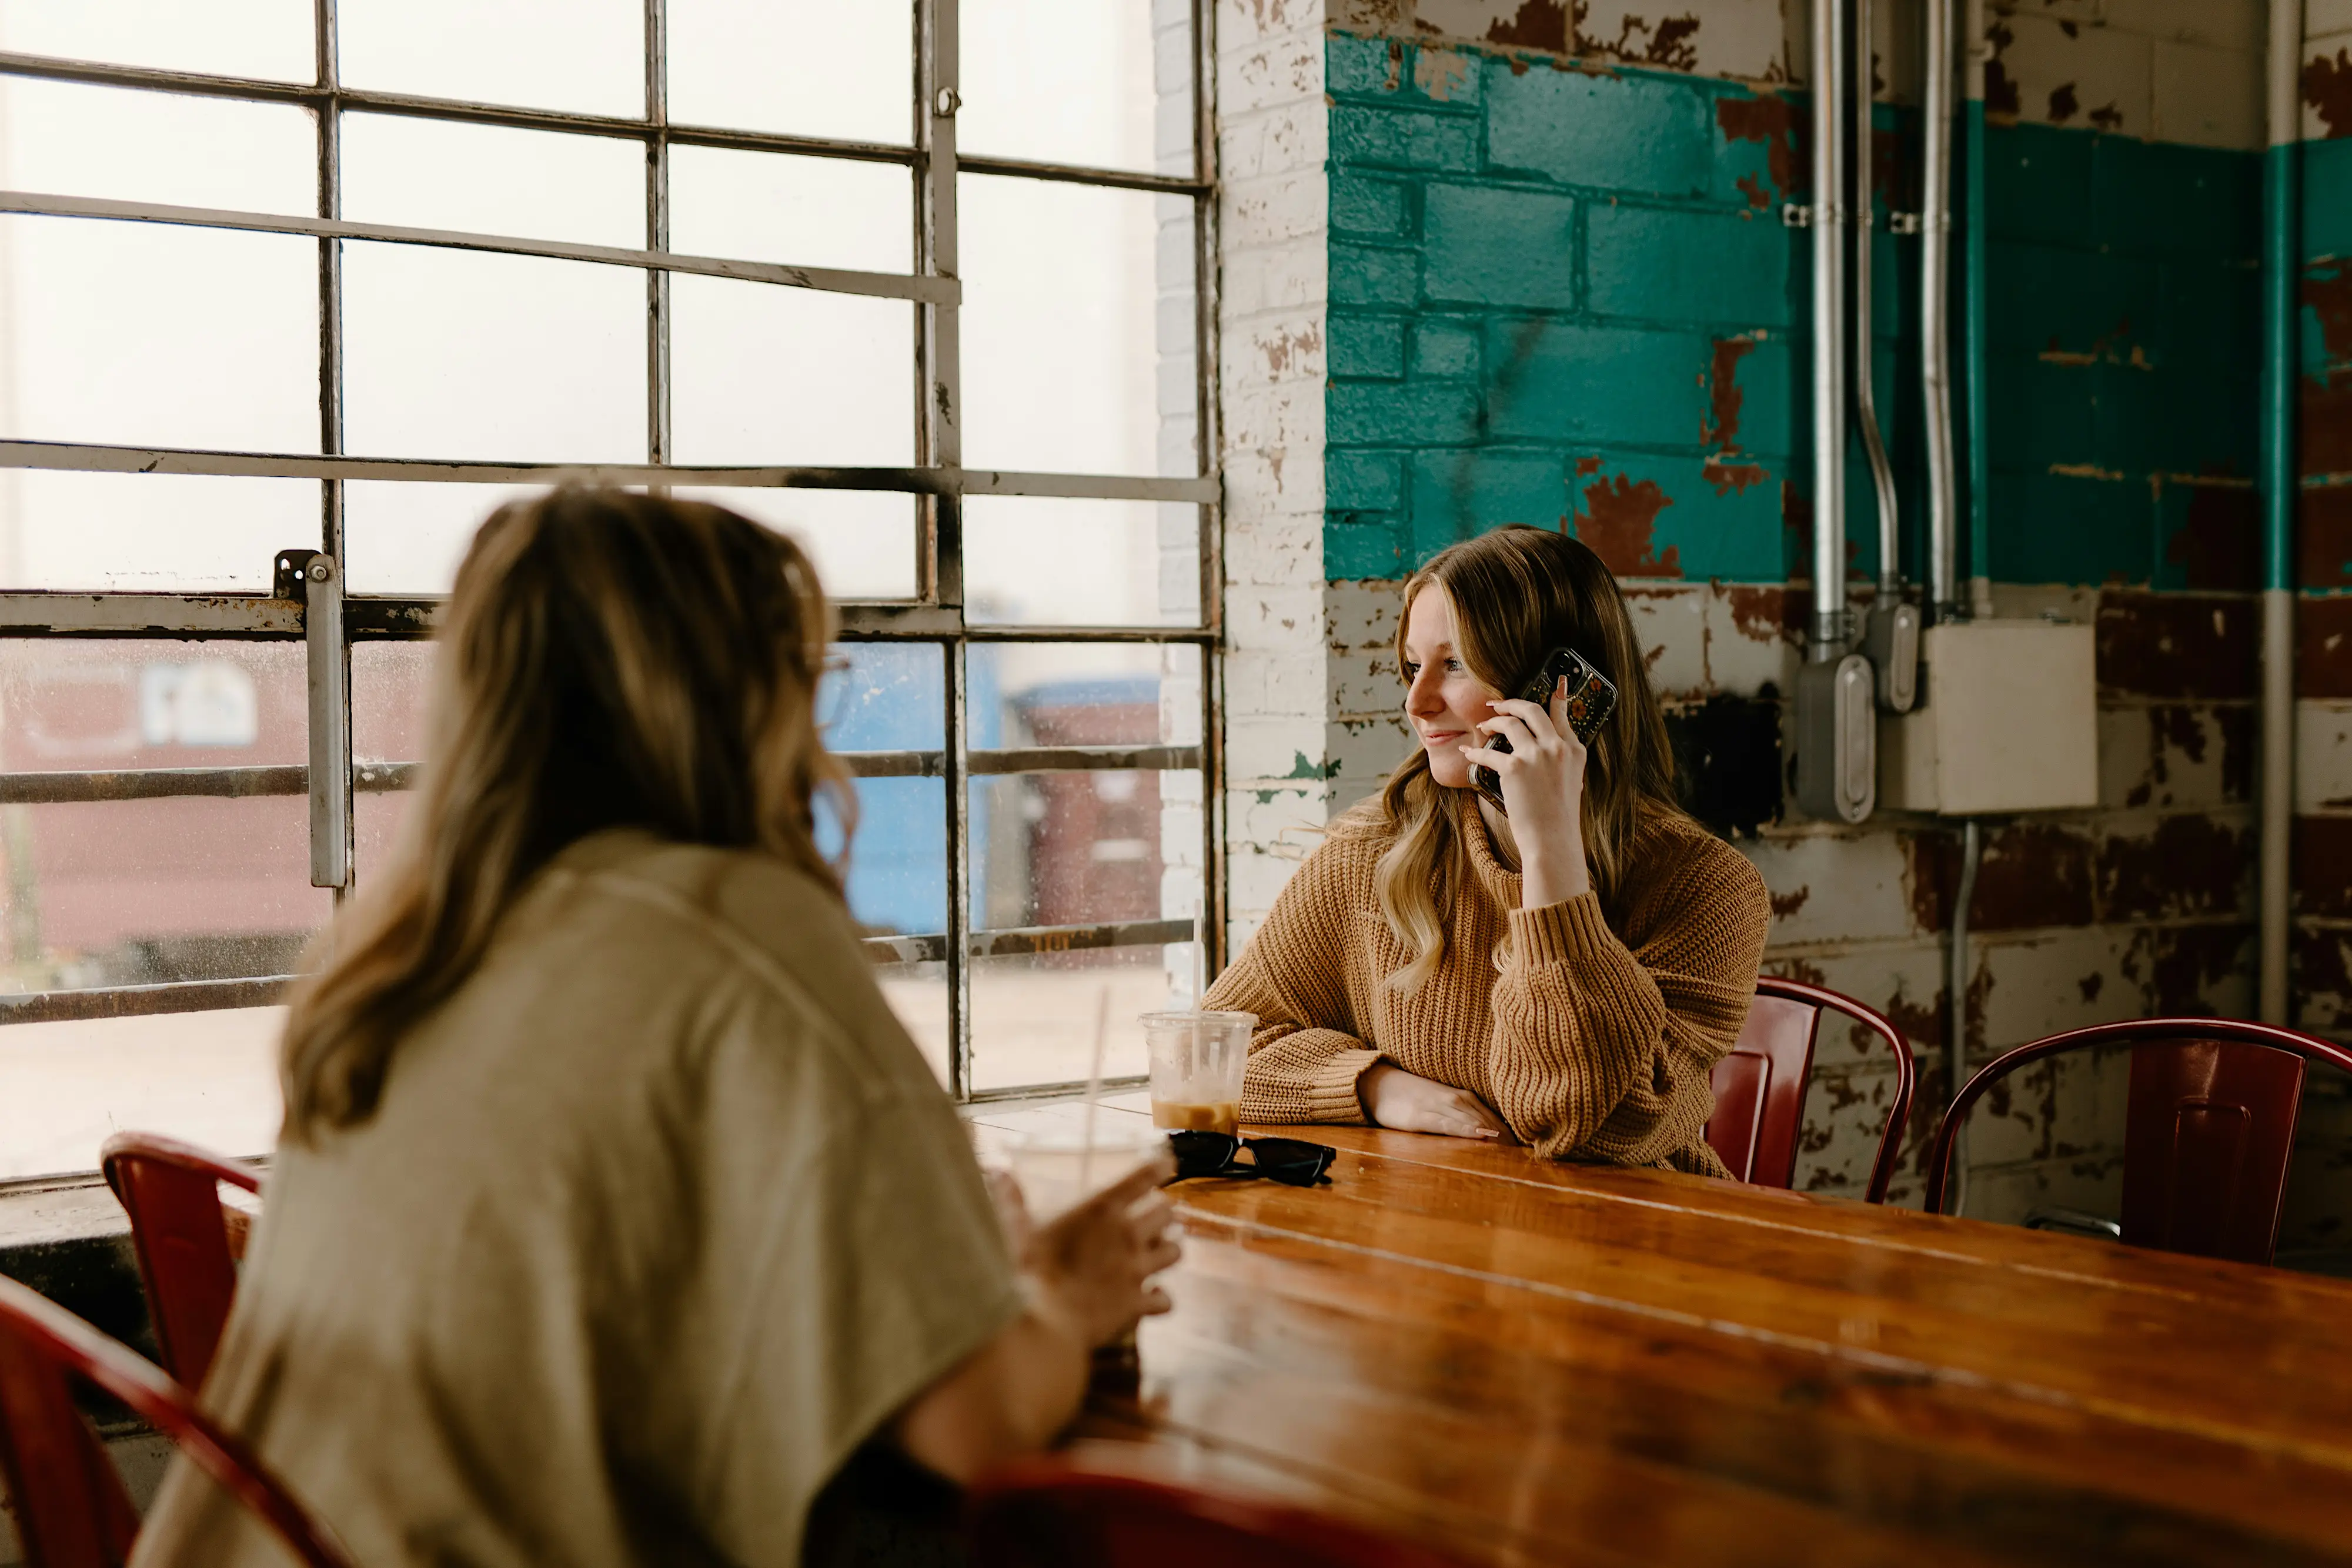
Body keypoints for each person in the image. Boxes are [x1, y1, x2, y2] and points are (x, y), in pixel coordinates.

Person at [133, 489, 1177, 1567]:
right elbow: (972, 1428)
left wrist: (924, 1280)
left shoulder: (403, 958)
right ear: (738, 694)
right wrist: (1061, 1298)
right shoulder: (740, 928)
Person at [1205, 524, 1768, 1174]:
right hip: (1441, 1234)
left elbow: (1582, 1126)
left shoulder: (1707, 886)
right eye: (1414, 666)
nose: (1416, 703)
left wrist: (1549, 850)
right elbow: (1216, 1050)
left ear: (1560, 691)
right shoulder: (1373, 852)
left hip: (1633, 1245)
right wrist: (1377, 1087)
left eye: (1454, 665)